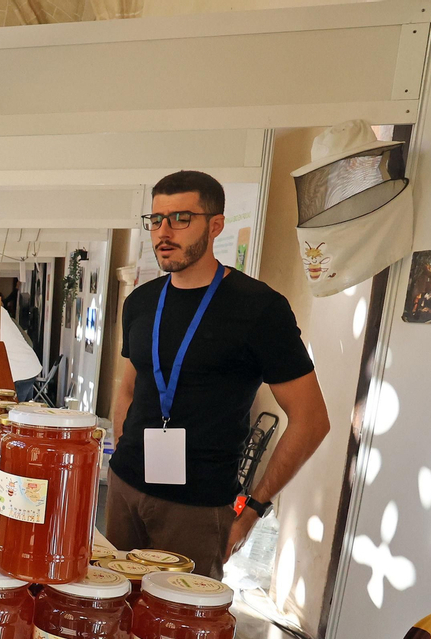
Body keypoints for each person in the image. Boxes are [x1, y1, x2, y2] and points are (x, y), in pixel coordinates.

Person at [109, 170, 331, 578]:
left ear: (215, 225)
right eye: (156, 219)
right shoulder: (141, 302)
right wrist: (123, 455)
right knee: (112, 607)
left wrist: (253, 510)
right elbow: (128, 390)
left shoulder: (259, 308)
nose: (163, 232)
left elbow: (312, 420)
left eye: (181, 218)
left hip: (197, 507)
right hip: (124, 489)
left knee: (179, 617)